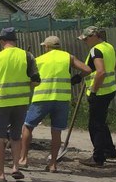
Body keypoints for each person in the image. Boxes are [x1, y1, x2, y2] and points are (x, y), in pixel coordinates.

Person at [18, 35, 91, 172]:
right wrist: (77, 77)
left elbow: (28, 77)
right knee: (56, 131)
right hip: (62, 99)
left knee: (28, 127)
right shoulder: (67, 57)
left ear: (46, 47)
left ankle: (23, 159)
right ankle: (53, 164)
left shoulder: (38, 60)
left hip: (42, 98)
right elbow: (87, 69)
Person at [0, 27, 40, 182]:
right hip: (21, 103)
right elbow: (36, 80)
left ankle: (0, 174)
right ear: (15, 41)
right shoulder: (27, 56)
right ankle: (16, 167)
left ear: (2, 41)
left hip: (1, 103)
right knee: (16, 136)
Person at [78, 26, 116, 167]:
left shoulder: (96, 50)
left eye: (86, 39)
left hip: (100, 93)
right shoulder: (108, 47)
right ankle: (110, 151)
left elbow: (100, 72)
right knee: (101, 122)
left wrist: (94, 91)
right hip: (110, 90)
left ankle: (98, 158)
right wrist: (80, 77)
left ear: (95, 36)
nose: (85, 41)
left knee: (95, 125)